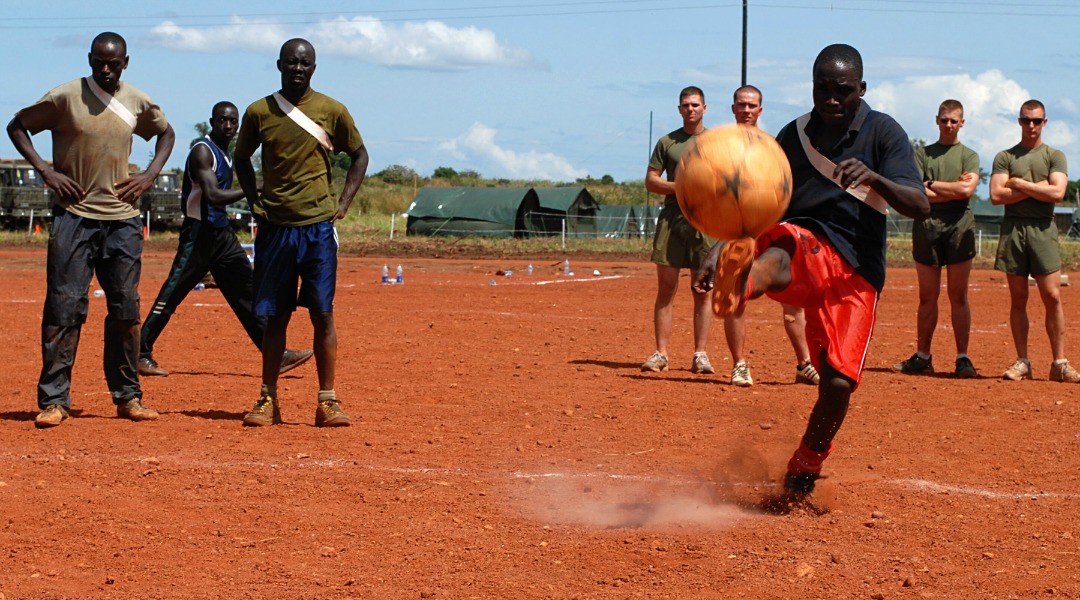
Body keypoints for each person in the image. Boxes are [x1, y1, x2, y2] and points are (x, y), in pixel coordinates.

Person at [694, 44, 929, 508]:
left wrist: (875, 179)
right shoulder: (793, 134)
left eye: (843, 91)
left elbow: (920, 205)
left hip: (856, 270)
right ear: (812, 87)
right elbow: (763, 198)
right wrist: (722, 244)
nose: (832, 99)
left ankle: (806, 464)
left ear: (861, 89)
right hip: (800, 241)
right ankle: (741, 283)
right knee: (784, 252)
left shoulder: (884, 132)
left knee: (838, 384)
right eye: (823, 89)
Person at [7, 32, 176, 428]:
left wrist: (151, 175)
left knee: (125, 310)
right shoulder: (64, 97)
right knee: (64, 307)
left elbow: (166, 133)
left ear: (126, 63)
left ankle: (128, 397)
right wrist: (46, 172)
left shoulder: (137, 101)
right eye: (99, 61)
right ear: (88, 59)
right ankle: (54, 401)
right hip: (74, 217)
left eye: (113, 63)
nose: (105, 68)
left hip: (122, 221)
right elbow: (17, 126)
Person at [234, 38, 369, 427]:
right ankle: (268, 399)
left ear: (314, 67)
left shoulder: (332, 110)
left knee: (322, 314)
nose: (297, 68)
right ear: (279, 65)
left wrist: (342, 204)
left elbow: (359, 154)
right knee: (275, 318)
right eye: (291, 62)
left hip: (317, 230)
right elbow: (242, 159)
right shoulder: (259, 111)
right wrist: (254, 201)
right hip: (276, 229)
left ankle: (327, 400)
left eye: (305, 63)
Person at [137, 101, 313, 378]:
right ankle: (139, 352)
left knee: (249, 291)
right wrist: (254, 187)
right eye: (223, 121)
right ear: (212, 122)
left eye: (233, 122)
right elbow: (214, 196)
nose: (228, 126)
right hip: (199, 234)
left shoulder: (227, 155)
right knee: (172, 293)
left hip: (221, 235)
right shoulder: (203, 152)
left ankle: (275, 355)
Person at [723, 85, 819, 387]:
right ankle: (739, 364)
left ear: (760, 110)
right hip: (736, 228)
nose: (747, 110)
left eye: (752, 105)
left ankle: (804, 364)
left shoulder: (773, 145)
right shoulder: (719, 147)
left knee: (793, 299)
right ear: (733, 108)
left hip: (774, 226)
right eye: (742, 105)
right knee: (736, 296)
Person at [989, 100, 1078, 382]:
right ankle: (1022, 361)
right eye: (1026, 120)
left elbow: (1057, 194)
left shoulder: (1055, 156)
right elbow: (995, 196)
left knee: (1052, 296)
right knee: (1019, 298)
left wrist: (1018, 184)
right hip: (1013, 230)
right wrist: (1039, 188)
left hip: (1043, 229)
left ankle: (1059, 363)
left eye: (1036, 121)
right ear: (1019, 122)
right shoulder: (1005, 156)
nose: (1031, 126)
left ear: (1045, 122)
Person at [893, 100, 980, 378]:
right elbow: (915, 191)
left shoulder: (969, 155)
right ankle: (923, 355)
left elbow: (967, 190)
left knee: (958, 295)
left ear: (962, 123)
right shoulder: (922, 154)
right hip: (927, 225)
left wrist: (931, 185)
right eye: (944, 120)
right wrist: (946, 189)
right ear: (937, 120)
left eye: (954, 121)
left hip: (959, 227)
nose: (949, 125)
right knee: (927, 296)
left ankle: (963, 358)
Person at [641, 86, 715, 377]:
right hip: (672, 219)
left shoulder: (717, 142)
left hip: (707, 223)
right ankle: (661, 354)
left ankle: (701, 355)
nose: (690, 109)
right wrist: (680, 188)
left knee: (703, 292)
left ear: (705, 108)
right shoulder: (667, 142)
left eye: (695, 104)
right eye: (685, 105)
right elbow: (650, 181)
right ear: (679, 109)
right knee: (666, 290)